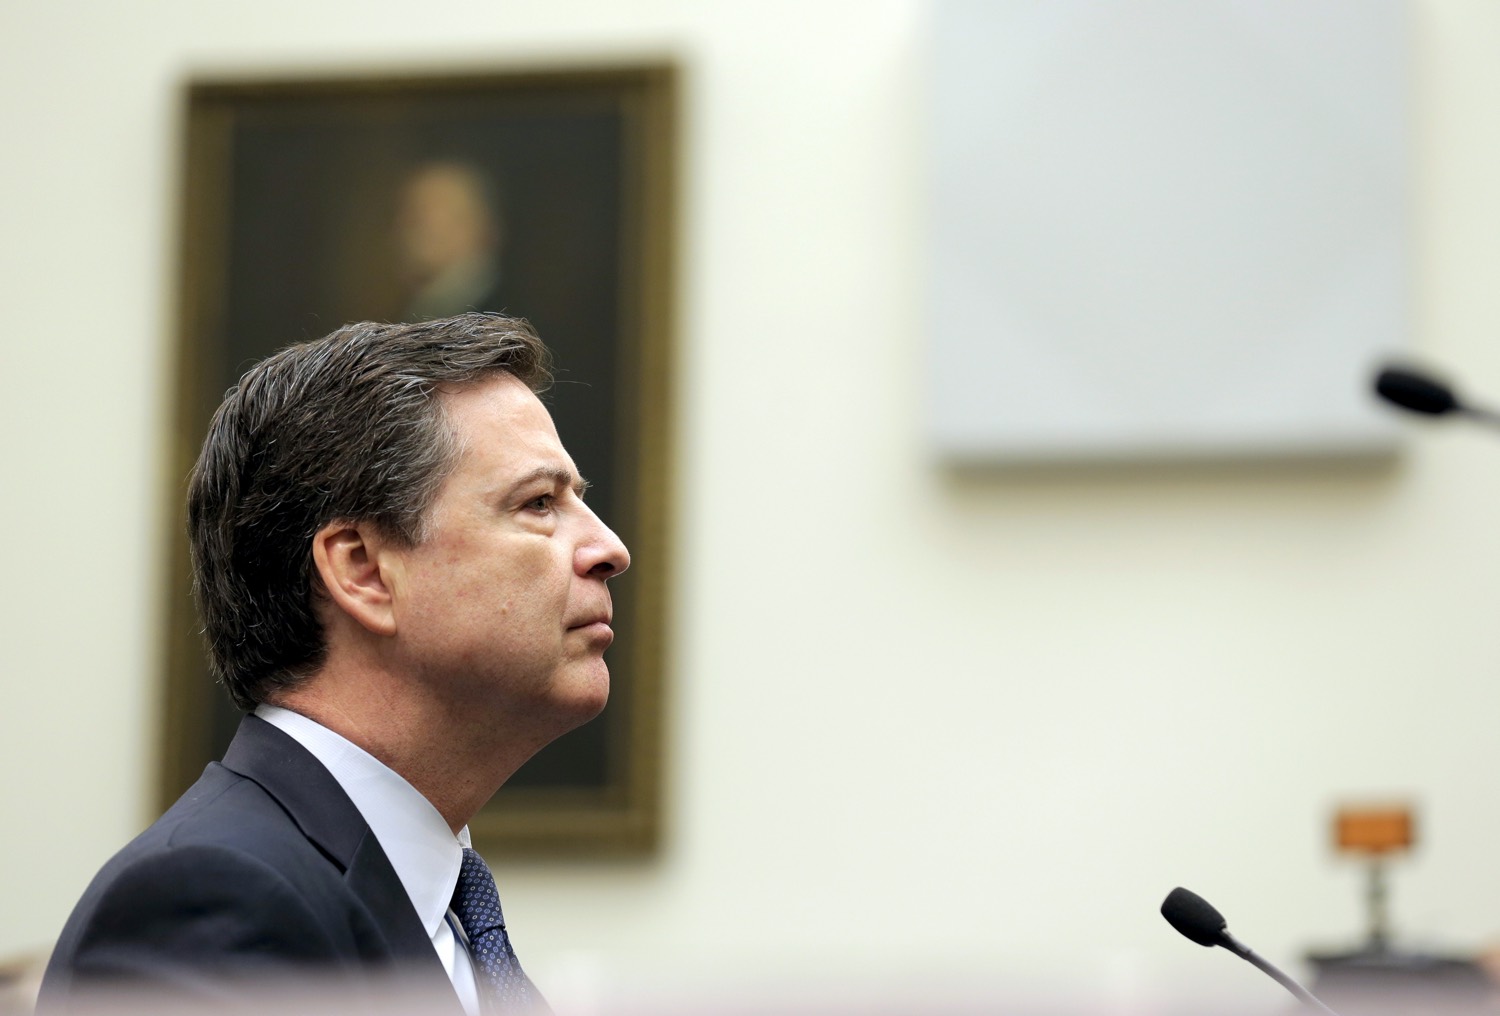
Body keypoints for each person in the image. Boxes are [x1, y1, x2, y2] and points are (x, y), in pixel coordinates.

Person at [38, 313, 630, 1014]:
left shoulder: (440, 908)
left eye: (579, 502)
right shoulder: (208, 903)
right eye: (538, 503)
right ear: (364, 572)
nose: (610, 548)